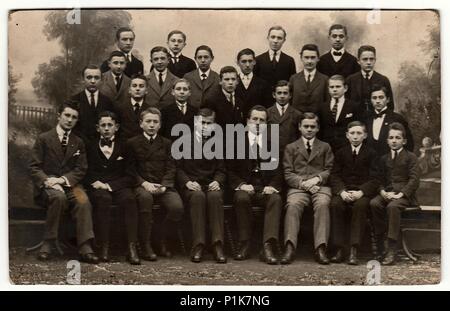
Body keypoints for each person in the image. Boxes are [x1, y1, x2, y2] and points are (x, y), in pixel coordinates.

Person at [29, 100, 99, 264]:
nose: (70, 120)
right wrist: (48, 181)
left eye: (74, 117)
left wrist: (62, 180)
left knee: (83, 201)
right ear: (58, 116)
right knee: (58, 198)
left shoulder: (78, 142)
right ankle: (48, 242)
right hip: (49, 185)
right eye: (67, 115)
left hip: (72, 185)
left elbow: (81, 169)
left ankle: (84, 246)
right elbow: (34, 167)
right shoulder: (44, 138)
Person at [126, 108, 184, 260]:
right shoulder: (132, 143)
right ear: (141, 124)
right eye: (148, 121)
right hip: (142, 186)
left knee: (176, 208)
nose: (151, 125)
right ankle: (145, 244)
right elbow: (130, 170)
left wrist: (164, 185)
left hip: (163, 185)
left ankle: (160, 239)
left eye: (155, 122)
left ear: (160, 125)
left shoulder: (167, 143)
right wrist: (144, 183)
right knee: (146, 200)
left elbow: (172, 167)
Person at [228, 105, 283, 265]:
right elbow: (229, 170)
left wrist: (272, 185)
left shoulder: (272, 143)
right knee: (241, 198)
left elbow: (279, 171)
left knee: (276, 199)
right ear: (247, 122)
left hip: (264, 187)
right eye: (254, 119)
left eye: (262, 120)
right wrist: (241, 184)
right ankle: (244, 242)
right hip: (245, 187)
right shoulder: (236, 142)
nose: (258, 123)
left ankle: (267, 246)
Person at [85, 111, 140, 265]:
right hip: (98, 186)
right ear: (97, 128)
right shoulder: (90, 146)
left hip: (119, 185)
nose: (107, 128)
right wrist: (97, 183)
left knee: (130, 199)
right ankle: (104, 246)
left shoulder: (126, 146)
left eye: (110, 125)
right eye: (103, 125)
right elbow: (85, 171)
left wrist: (110, 185)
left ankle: (132, 247)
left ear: (116, 127)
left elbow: (131, 175)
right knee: (103, 199)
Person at [282, 112, 334, 265]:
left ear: (318, 128)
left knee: (323, 204)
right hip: (298, 187)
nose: (309, 129)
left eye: (313, 126)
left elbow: (329, 170)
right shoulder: (291, 147)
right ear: (299, 127)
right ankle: (290, 246)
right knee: (292, 205)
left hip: (320, 187)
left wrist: (316, 180)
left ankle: (321, 248)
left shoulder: (325, 147)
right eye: (306, 126)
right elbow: (288, 172)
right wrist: (304, 183)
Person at [176, 108, 227, 263]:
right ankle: (198, 244)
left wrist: (217, 180)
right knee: (198, 197)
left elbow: (222, 169)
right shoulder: (183, 141)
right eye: (202, 123)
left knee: (215, 197)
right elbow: (177, 168)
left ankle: (217, 244)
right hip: (193, 186)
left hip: (211, 184)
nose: (205, 126)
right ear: (195, 123)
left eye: (209, 123)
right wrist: (187, 182)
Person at [329, 121, 380, 265]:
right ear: (347, 135)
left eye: (359, 133)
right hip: (345, 191)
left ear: (365, 135)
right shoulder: (340, 153)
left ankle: (354, 249)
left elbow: (375, 178)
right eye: (352, 133)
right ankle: (339, 248)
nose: (355, 136)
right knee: (335, 205)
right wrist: (341, 191)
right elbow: (334, 175)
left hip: (362, 193)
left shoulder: (371, 153)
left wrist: (362, 192)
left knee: (360, 206)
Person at [370, 122, 420, 265]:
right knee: (374, 203)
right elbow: (378, 179)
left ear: (404, 141)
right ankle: (381, 243)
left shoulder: (411, 157)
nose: (394, 140)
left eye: (397, 138)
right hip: (388, 194)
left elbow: (414, 180)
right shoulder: (383, 158)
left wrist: (401, 194)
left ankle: (392, 248)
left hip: (404, 197)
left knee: (392, 207)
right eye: (391, 137)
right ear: (387, 141)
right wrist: (382, 191)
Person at [365, 85, 414, 157]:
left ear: (388, 99)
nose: (378, 101)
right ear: (371, 100)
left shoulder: (397, 118)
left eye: (381, 97)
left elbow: (409, 144)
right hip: (371, 164)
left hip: (392, 165)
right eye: (374, 98)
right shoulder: (367, 119)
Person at [71, 64, 114, 145]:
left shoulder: (108, 102)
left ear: (101, 80)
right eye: (89, 77)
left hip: (101, 146)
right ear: (83, 79)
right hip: (79, 145)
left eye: (96, 78)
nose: (93, 81)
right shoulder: (74, 100)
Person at [317, 75, 361, 152]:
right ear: (328, 89)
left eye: (338, 87)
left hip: (346, 147)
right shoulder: (322, 107)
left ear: (345, 88)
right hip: (326, 148)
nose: (334, 90)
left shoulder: (354, 106)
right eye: (332, 87)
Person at [346, 45, 394, 114]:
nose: (368, 62)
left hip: (376, 121)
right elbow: (346, 104)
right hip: (356, 121)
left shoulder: (383, 80)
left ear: (375, 60)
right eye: (365, 59)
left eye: (371, 59)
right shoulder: (350, 80)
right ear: (358, 61)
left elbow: (390, 106)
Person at [289, 44, 328, 113]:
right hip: (297, 120)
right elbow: (289, 102)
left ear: (318, 59)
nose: (309, 61)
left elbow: (327, 103)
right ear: (301, 58)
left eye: (313, 57)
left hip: (318, 120)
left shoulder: (325, 79)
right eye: (306, 57)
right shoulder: (294, 79)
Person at [266, 80, 302, 154]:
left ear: (290, 95)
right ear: (274, 95)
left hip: (291, 154)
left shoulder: (297, 114)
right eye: (279, 93)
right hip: (271, 154)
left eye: (285, 93)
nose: (282, 96)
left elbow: (299, 137)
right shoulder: (267, 113)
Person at [235, 48, 272, 116]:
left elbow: (268, 109)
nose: (247, 65)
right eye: (244, 61)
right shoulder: (232, 83)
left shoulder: (264, 84)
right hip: (236, 125)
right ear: (238, 63)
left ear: (254, 62)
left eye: (250, 61)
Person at [115, 74, 151, 140]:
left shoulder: (150, 110)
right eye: (134, 86)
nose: (137, 89)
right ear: (129, 89)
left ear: (146, 90)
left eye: (141, 86)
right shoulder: (120, 108)